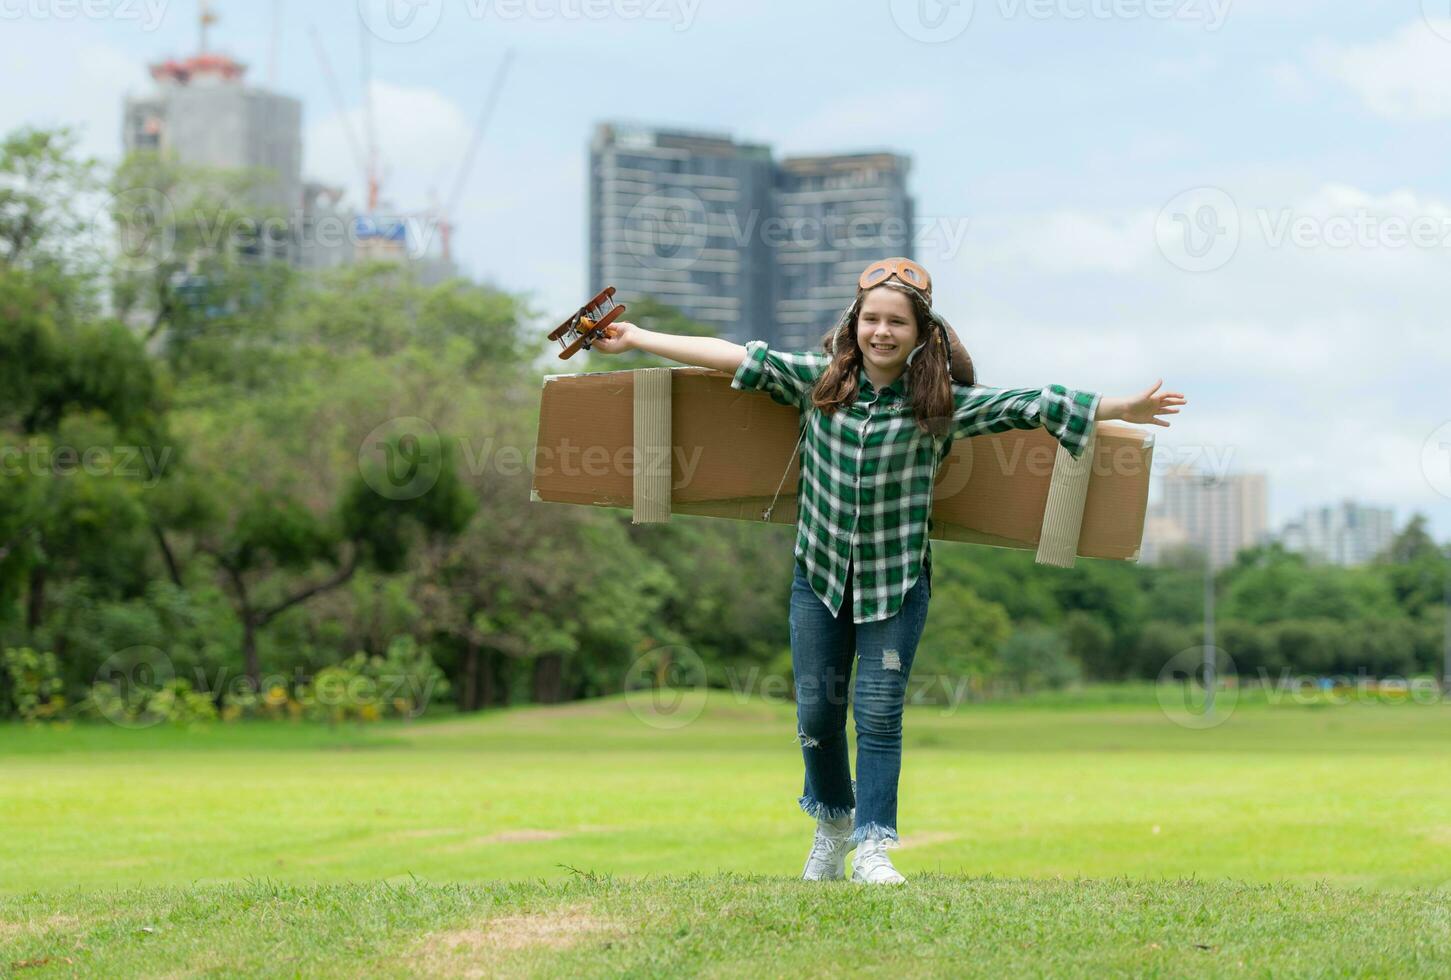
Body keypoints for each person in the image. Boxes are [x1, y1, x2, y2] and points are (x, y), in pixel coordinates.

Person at [589, 257, 1186, 884]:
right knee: (817, 716)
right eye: (871, 319)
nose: (881, 331)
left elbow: (1036, 402)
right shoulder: (815, 383)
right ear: (854, 324)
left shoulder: (942, 407)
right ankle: (834, 825)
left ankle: (873, 845)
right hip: (818, 578)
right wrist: (634, 338)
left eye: (895, 322)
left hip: (895, 586)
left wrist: (1125, 407)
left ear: (921, 333)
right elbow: (732, 356)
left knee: (877, 714)